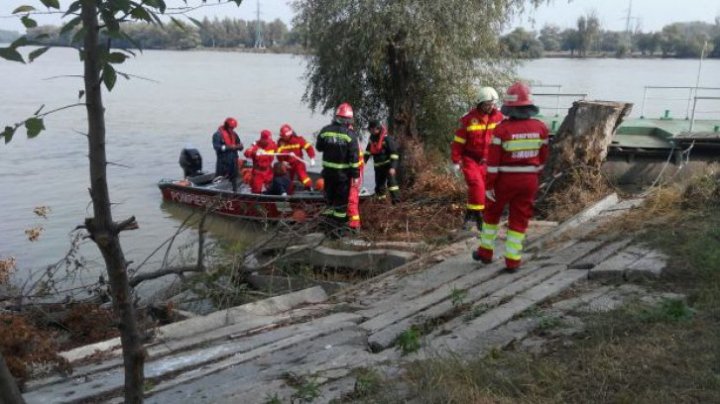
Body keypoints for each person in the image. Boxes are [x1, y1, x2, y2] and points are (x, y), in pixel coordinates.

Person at [473, 82, 549, 272]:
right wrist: (534, 176)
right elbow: (543, 159)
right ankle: (513, 260)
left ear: (509, 107)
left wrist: (489, 186)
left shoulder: (501, 130)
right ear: (529, 105)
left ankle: (485, 252)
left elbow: (493, 164)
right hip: (529, 181)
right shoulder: (541, 128)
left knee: (491, 215)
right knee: (519, 218)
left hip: (504, 181)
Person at [451, 87, 504, 230]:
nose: (490, 107)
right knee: (477, 186)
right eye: (487, 104)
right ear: (480, 103)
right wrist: (456, 161)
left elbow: (503, 137)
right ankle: (480, 218)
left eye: (492, 104)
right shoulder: (468, 119)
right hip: (470, 159)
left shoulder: (499, 118)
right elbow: (458, 142)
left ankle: (470, 214)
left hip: (488, 160)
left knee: (487, 189)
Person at [315, 102, 361, 229]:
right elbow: (354, 158)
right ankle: (337, 231)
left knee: (329, 202)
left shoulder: (325, 131)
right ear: (348, 119)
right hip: (342, 177)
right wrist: (356, 175)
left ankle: (327, 228)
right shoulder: (350, 135)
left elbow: (319, 147)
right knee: (340, 205)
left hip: (328, 175)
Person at [363, 120, 401, 204]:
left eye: (372, 129)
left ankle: (396, 203)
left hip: (388, 166)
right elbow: (367, 152)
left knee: (392, 184)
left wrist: (393, 167)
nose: (371, 131)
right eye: (370, 129)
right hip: (378, 167)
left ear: (377, 128)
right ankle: (382, 204)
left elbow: (394, 153)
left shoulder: (387, 138)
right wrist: (363, 162)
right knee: (379, 187)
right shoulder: (372, 139)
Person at [276, 124, 317, 191]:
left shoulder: (298, 140)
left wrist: (312, 158)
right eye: (282, 136)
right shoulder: (280, 142)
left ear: (289, 134)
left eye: (284, 136)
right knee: (287, 179)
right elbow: (278, 153)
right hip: (287, 164)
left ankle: (309, 188)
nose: (283, 137)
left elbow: (308, 147)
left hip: (298, 162)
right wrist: (282, 161)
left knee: (303, 176)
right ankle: (288, 193)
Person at [212, 117, 244, 192]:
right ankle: (217, 195)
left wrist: (240, 147)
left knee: (234, 179)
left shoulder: (234, 134)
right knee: (220, 180)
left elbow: (239, 145)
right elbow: (217, 147)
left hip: (233, 161)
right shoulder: (217, 135)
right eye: (231, 127)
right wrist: (231, 147)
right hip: (223, 162)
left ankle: (234, 194)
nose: (232, 129)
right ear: (226, 126)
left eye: (233, 128)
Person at [243, 129, 277, 193]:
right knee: (256, 190)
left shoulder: (272, 145)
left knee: (272, 188)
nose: (268, 142)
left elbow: (281, 150)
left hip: (268, 171)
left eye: (269, 140)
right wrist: (254, 152)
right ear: (262, 139)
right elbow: (246, 153)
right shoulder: (255, 146)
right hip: (258, 172)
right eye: (266, 140)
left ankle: (270, 201)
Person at [347, 144, 365, 230]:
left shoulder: (354, 147)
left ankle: (355, 225)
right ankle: (352, 223)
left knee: (352, 200)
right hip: (351, 175)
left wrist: (355, 177)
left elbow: (356, 164)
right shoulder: (350, 144)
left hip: (354, 177)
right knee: (350, 200)